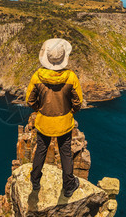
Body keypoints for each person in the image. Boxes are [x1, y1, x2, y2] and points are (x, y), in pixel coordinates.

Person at [25, 38, 83, 198]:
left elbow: (29, 100)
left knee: (40, 151)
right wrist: (71, 111)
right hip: (64, 122)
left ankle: (35, 181)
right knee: (66, 154)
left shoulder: (37, 77)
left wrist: (40, 109)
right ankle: (69, 186)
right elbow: (78, 101)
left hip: (44, 122)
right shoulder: (71, 77)